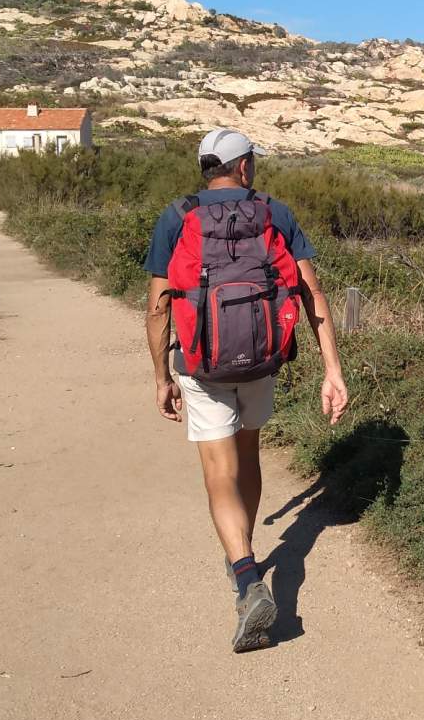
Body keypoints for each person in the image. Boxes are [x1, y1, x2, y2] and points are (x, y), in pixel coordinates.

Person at [144, 129, 350, 651]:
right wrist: (332, 370)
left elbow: (158, 307)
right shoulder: (274, 212)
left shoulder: (177, 216)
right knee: (249, 455)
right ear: (243, 166)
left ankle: (245, 574)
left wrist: (161, 376)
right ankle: (244, 555)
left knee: (220, 471)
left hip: (201, 364)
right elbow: (312, 291)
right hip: (261, 359)